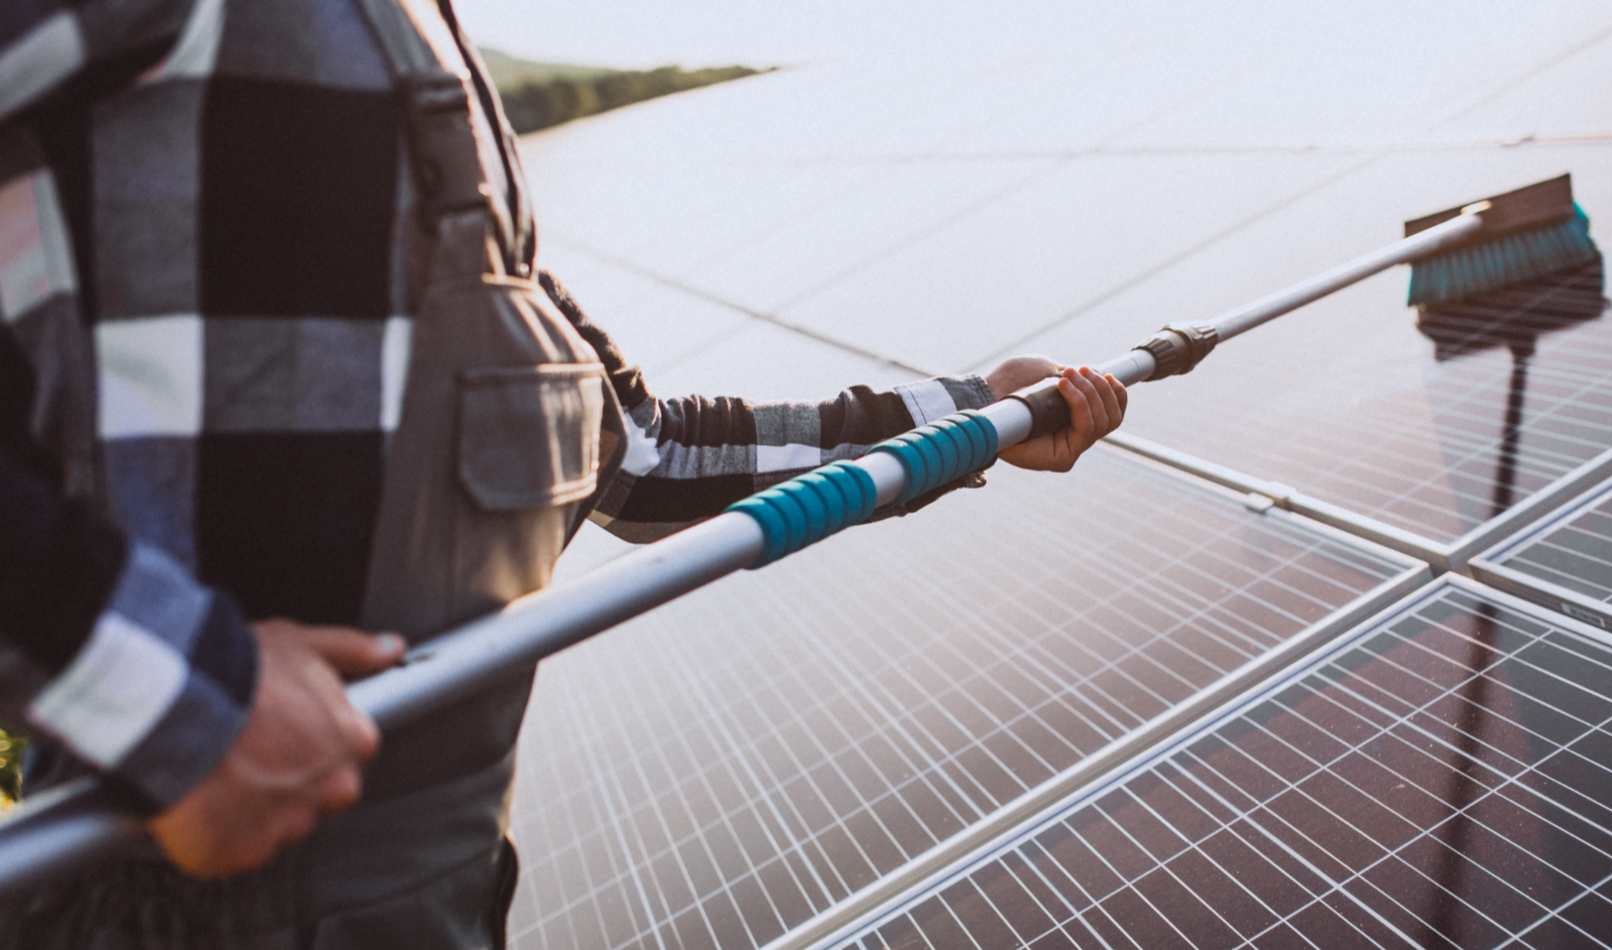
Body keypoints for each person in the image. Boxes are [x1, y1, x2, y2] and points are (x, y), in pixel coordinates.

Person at [0, 0, 1128, 945]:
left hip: (429, 897)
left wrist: (973, 417)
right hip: (166, 906)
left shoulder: (426, 71)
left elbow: (646, 456)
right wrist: (168, 691)